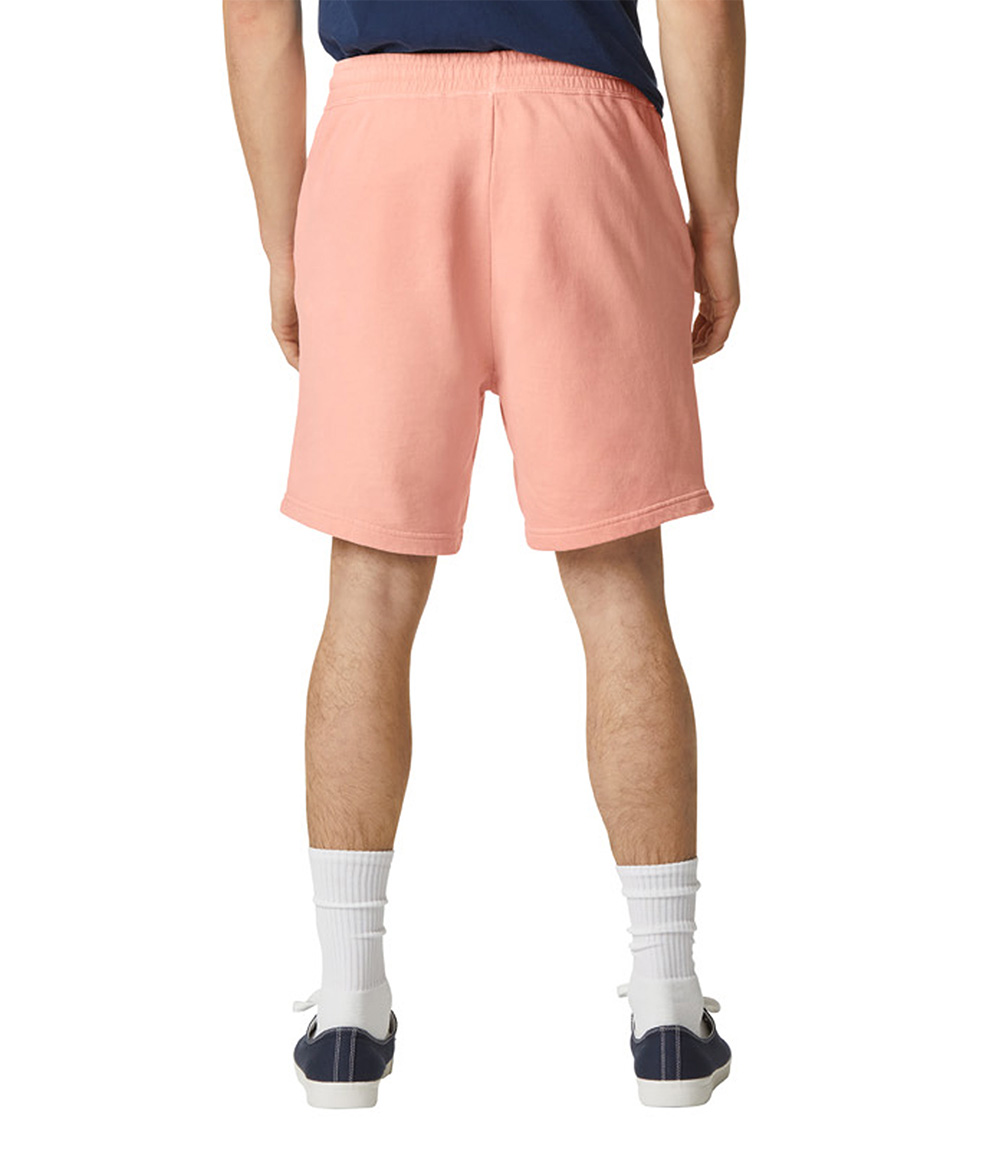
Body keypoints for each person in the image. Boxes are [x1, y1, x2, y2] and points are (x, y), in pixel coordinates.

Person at [223, 0, 744, 1109]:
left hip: (381, 151)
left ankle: (348, 1010)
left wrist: (283, 238)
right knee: (617, 578)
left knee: (369, 585)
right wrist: (716, 218)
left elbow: (257, 13)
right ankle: (667, 1007)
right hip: (586, 141)